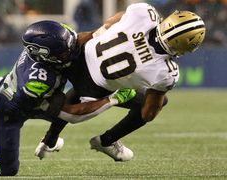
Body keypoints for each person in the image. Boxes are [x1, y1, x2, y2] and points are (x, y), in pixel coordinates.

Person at [0, 21, 136, 176]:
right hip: (7, 110)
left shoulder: (59, 44)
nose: (70, 53)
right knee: (4, 169)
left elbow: (86, 36)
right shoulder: (38, 80)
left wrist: (119, 25)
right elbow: (73, 114)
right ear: (45, 56)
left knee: (69, 99)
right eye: (63, 53)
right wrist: (114, 99)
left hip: (29, 98)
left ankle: (50, 141)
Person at [36, 3, 206, 161]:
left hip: (80, 54)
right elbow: (149, 113)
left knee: (79, 89)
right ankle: (107, 140)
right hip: (93, 88)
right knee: (155, 103)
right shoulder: (166, 72)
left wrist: (100, 34)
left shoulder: (145, 13)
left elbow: (114, 20)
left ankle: (49, 140)